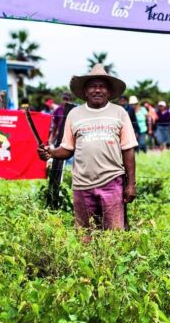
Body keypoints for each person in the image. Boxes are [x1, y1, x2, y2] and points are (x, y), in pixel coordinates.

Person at [37, 64, 137, 231]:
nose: (97, 90)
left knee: (115, 234)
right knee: (85, 234)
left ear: (109, 91)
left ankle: (110, 258)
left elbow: (128, 149)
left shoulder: (119, 113)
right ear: (85, 91)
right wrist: (50, 152)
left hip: (112, 182)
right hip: (82, 185)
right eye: (92, 86)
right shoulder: (74, 114)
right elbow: (67, 149)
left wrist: (131, 184)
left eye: (102, 86)